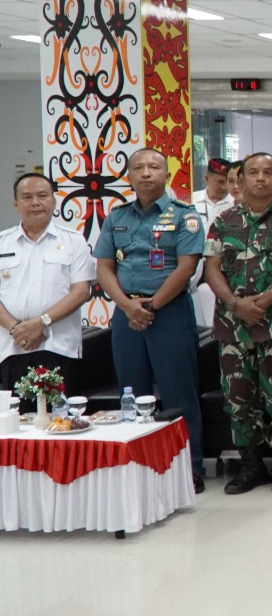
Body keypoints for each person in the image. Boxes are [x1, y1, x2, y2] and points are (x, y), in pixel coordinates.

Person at [93, 148, 207, 491]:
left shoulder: (185, 216)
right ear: (128, 176)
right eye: (139, 168)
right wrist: (129, 308)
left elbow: (186, 267)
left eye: (154, 167)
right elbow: (104, 267)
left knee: (178, 392)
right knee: (131, 392)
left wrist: (151, 306)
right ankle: (138, 468)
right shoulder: (116, 217)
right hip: (126, 315)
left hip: (169, 313)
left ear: (166, 175)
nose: (146, 173)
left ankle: (188, 468)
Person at [203, 152, 272, 495]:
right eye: (253, 172)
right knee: (238, 399)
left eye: (268, 172)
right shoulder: (223, 221)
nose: (261, 178)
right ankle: (250, 465)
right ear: (241, 180)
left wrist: (261, 304)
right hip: (233, 325)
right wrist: (236, 304)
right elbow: (211, 268)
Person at [0, 174, 95, 398]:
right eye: (27, 197)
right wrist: (16, 328)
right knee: (17, 418)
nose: (35, 202)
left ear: (53, 201)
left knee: (60, 417)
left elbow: (81, 292)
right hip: (12, 347)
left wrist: (40, 323)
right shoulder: (2, 242)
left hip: (59, 347)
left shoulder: (73, 241)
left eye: (42, 196)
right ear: (15, 204)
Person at [190, 158, 235, 327]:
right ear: (206, 178)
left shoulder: (234, 203)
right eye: (219, 182)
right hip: (194, 264)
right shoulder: (190, 200)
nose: (223, 187)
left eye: (226, 182)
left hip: (222, 265)